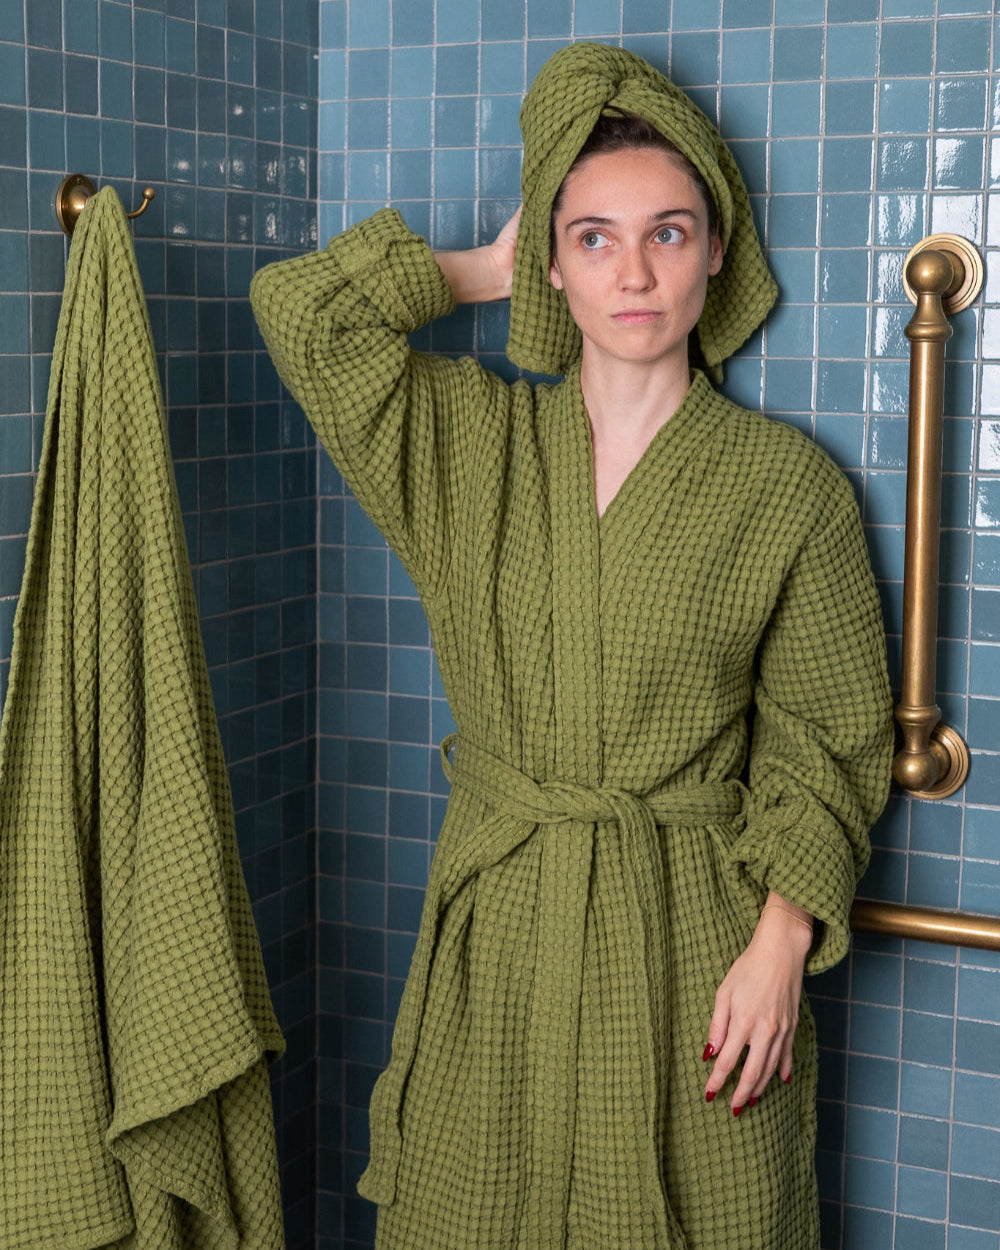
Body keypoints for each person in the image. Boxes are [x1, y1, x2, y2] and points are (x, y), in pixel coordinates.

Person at [251, 41, 893, 1250]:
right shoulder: (467, 447)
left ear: (716, 251)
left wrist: (779, 940)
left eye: (668, 230)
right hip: (506, 938)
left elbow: (825, 739)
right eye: (592, 236)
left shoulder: (788, 489)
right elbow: (299, 311)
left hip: (694, 948)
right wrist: (487, 267)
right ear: (553, 259)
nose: (634, 271)